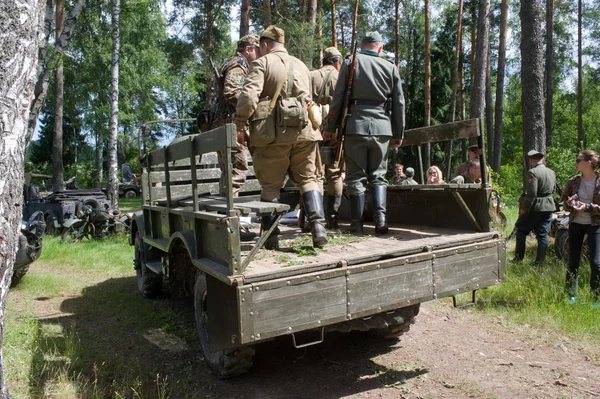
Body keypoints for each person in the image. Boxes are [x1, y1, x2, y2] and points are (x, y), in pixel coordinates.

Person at [234, 25, 327, 249]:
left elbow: (248, 97)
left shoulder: (261, 63)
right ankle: (319, 228)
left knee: (270, 186)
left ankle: (271, 237)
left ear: (265, 45)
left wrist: (239, 124)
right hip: (306, 132)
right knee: (309, 179)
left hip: (272, 135)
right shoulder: (303, 65)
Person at [322, 31, 405, 235]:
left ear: (362, 46)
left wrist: (330, 127)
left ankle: (356, 225)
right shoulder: (390, 67)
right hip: (383, 128)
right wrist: (398, 133)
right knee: (379, 176)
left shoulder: (352, 62)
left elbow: (338, 97)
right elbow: (400, 103)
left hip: (355, 127)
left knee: (355, 177)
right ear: (380, 47)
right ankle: (381, 220)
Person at [212, 34, 260, 198]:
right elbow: (232, 92)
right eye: (257, 51)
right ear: (248, 49)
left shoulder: (232, 63)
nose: (259, 55)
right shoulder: (239, 64)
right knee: (237, 169)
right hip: (230, 125)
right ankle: (230, 214)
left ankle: (224, 211)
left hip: (224, 125)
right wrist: (253, 105)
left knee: (228, 170)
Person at [561, 149, 600, 307]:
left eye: (578, 160)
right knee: (573, 260)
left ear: (588, 163)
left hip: (595, 225)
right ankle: (571, 294)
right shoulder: (573, 181)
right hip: (576, 223)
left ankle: (596, 297)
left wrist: (588, 207)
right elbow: (563, 203)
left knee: (596, 262)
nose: (576, 163)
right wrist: (570, 204)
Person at [311, 47, 344, 229]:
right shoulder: (341, 77)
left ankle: (311, 219)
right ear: (337, 62)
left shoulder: (311, 75)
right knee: (335, 174)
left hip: (314, 130)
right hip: (335, 132)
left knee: (312, 175)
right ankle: (332, 218)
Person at [513, 150, 556, 263]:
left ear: (532, 160)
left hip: (536, 207)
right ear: (541, 160)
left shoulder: (533, 172)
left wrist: (525, 208)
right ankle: (540, 261)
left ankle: (518, 258)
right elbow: (553, 189)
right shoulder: (551, 172)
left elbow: (531, 194)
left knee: (521, 230)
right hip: (549, 206)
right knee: (542, 234)